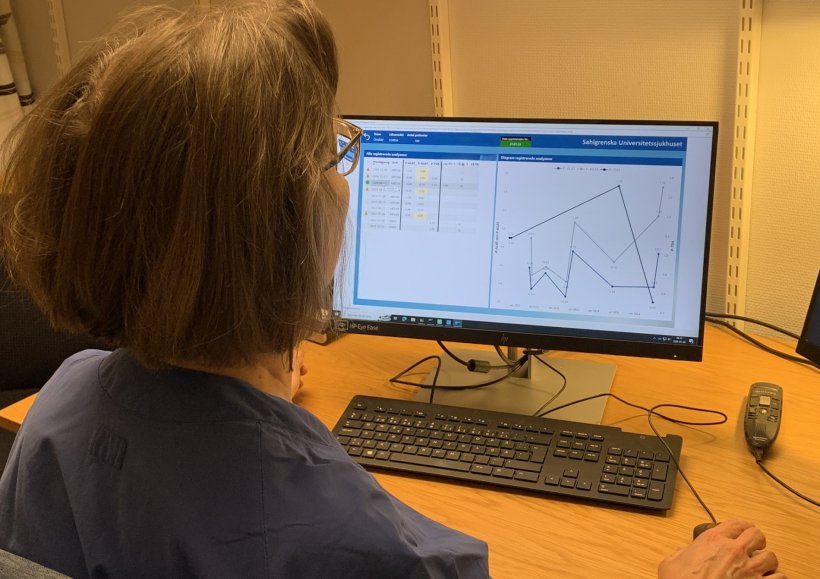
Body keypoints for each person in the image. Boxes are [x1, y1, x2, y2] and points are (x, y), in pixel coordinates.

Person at [0, 2, 784, 578]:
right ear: (277, 231)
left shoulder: (60, 410)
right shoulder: (353, 543)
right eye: (331, 151)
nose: (346, 181)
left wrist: (261, 382)